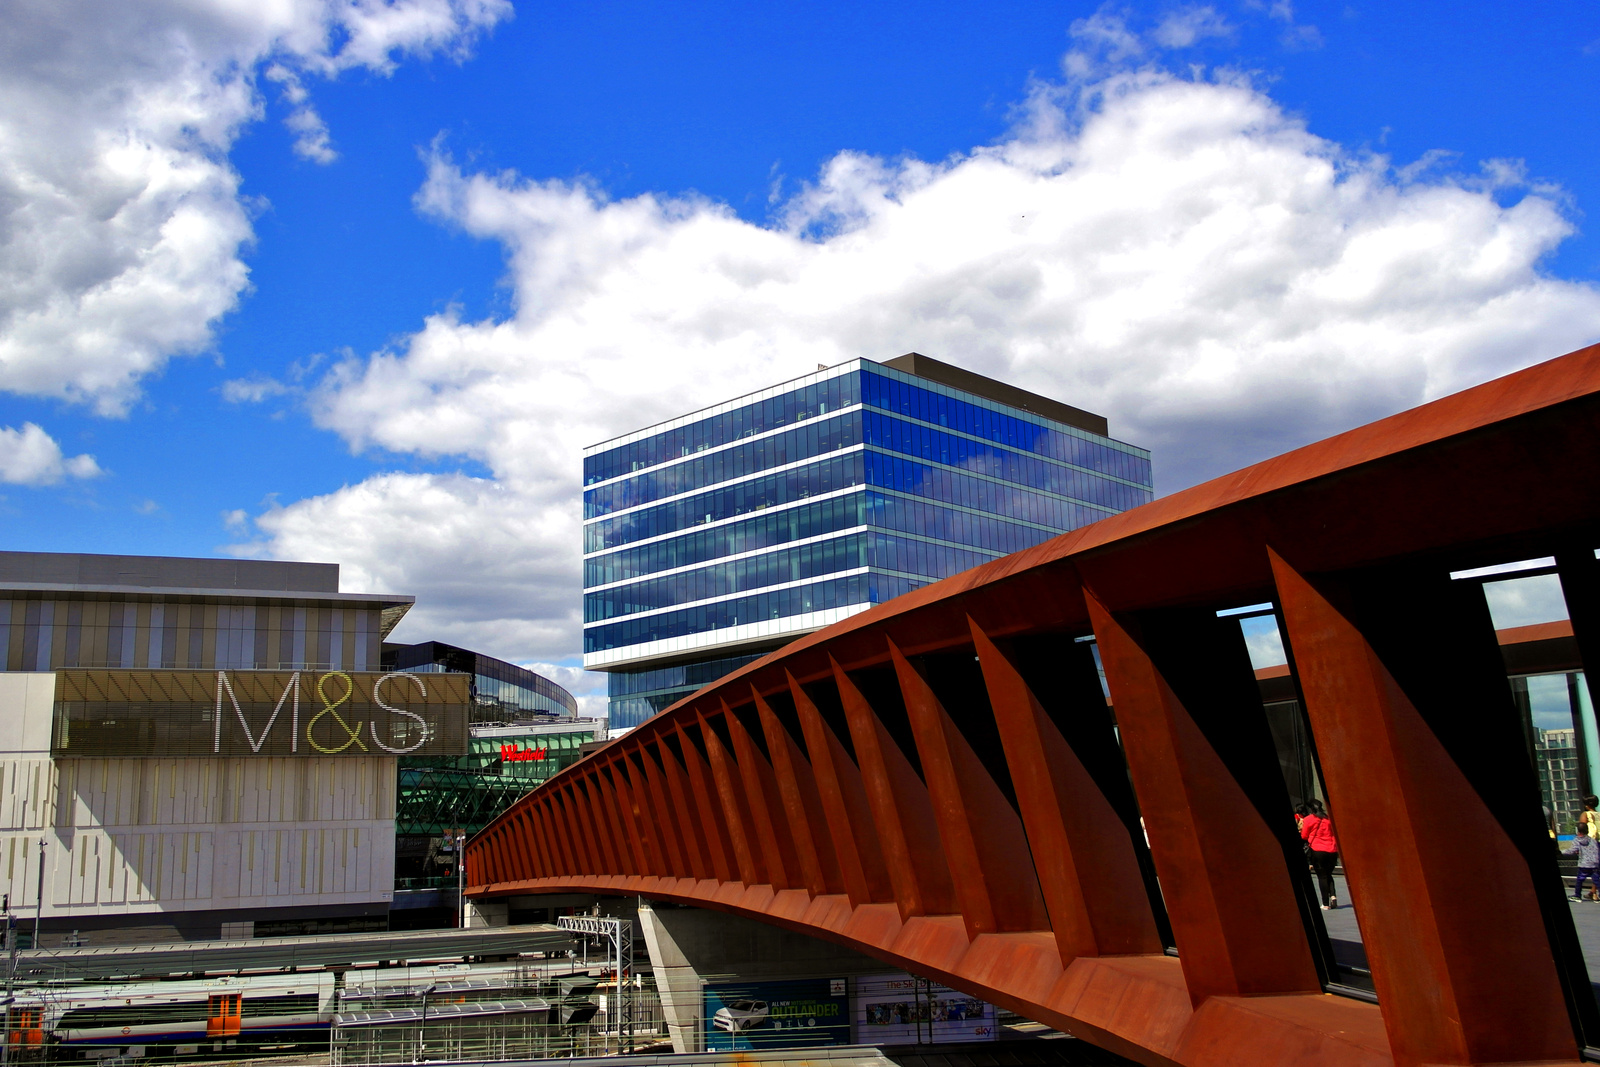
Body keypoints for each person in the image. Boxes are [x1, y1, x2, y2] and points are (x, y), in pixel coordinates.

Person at [1300, 799, 1340, 910]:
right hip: (1332, 850)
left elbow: (1304, 836)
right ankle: (1333, 895)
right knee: (1328, 874)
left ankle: (1325, 903)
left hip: (1317, 850)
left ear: (1311, 808)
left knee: (1322, 876)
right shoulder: (1329, 819)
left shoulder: (1309, 819)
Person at [1566, 822, 1600, 902]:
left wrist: (1561, 852)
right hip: (1594, 863)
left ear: (1577, 830)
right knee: (1596, 880)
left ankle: (1577, 895)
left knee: (1580, 880)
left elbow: (1572, 850)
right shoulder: (1592, 840)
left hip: (1584, 864)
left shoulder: (1577, 840)